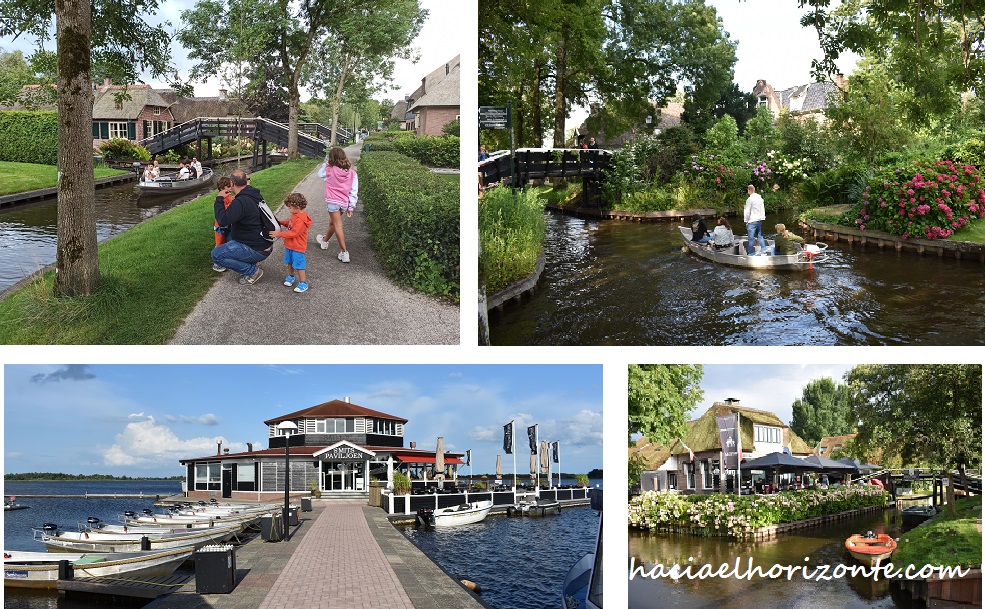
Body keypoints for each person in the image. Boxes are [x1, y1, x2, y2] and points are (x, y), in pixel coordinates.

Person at [211, 169, 272, 284]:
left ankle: (252, 271)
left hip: (258, 249)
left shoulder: (240, 202)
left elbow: (222, 220)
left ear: (232, 184)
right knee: (230, 237)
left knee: (216, 255)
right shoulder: (254, 194)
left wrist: (219, 199)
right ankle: (250, 262)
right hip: (265, 243)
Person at [315, 147, 358, 263]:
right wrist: (351, 207)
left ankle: (344, 253)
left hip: (333, 202)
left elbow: (320, 174)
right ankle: (324, 241)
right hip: (344, 203)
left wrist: (326, 163)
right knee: (333, 223)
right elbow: (353, 191)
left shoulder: (330, 170)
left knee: (337, 225)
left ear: (331, 158)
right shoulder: (352, 173)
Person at [270, 192, 313, 293]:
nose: (288, 209)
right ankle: (291, 276)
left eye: (289, 207)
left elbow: (294, 233)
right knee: (289, 262)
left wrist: (279, 233)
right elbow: (290, 224)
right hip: (290, 245)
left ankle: (303, 283)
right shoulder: (295, 215)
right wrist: (281, 222)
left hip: (298, 247)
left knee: (299, 265)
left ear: (297, 207)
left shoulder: (301, 220)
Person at [212, 177, 235, 262]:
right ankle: (217, 263)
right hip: (220, 227)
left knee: (229, 240)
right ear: (222, 188)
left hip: (228, 224)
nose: (231, 188)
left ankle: (228, 257)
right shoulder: (219, 199)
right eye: (228, 186)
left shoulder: (230, 197)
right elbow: (222, 211)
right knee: (219, 243)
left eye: (231, 186)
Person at [743, 184, 766, 255]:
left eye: (747, 190)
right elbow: (762, 209)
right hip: (759, 220)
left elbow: (747, 211)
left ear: (749, 190)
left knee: (751, 238)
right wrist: (762, 217)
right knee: (759, 236)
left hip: (752, 221)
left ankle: (750, 253)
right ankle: (764, 250)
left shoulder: (749, 199)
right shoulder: (760, 198)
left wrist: (746, 221)